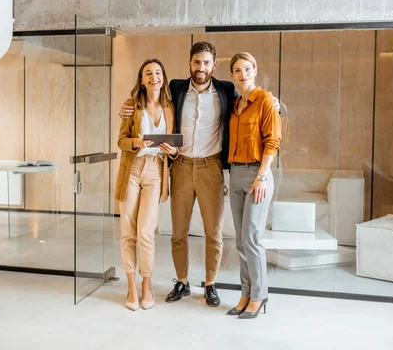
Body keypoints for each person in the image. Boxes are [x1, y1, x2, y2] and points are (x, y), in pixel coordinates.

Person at [119, 42, 280, 308]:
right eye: (197, 62)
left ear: (214, 65)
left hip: (211, 167)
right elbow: (149, 96)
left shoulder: (227, 90)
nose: (201, 68)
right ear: (190, 63)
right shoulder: (176, 88)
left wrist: (274, 101)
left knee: (213, 232)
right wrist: (125, 108)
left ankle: (210, 284)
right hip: (180, 165)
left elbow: (258, 101)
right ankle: (181, 282)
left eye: (206, 63)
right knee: (178, 232)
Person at [115, 59, 179, 311]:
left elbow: (175, 147)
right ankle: (131, 284)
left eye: (158, 73)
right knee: (128, 232)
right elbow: (121, 141)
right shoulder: (131, 106)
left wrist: (172, 150)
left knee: (145, 233)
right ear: (141, 80)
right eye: (148, 73)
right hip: (131, 171)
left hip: (155, 171)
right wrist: (136, 143)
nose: (154, 77)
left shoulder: (170, 108)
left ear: (163, 77)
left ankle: (146, 284)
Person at [225, 52, 281, 319]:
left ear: (255, 70)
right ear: (232, 75)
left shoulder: (265, 100)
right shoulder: (235, 105)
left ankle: (260, 295)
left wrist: (261, 177)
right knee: (239, 240)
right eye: (237, 70)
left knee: (252, 237)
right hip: (235, 174)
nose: (243, 74)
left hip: (258, 174)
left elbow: (272, 141)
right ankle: (245, 293)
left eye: (247, 69)